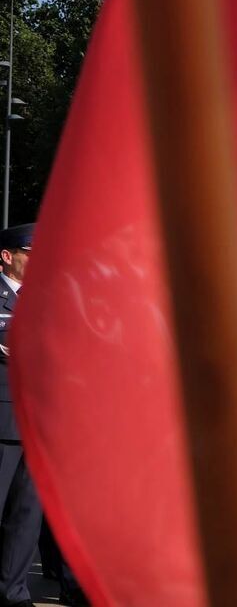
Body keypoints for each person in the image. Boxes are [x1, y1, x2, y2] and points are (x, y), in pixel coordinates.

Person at [0, 224, 45, 606]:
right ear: (7, 256)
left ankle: (13, 592)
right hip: (2, 423)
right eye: (31, 251)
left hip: (39, 425)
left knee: (27, 518)